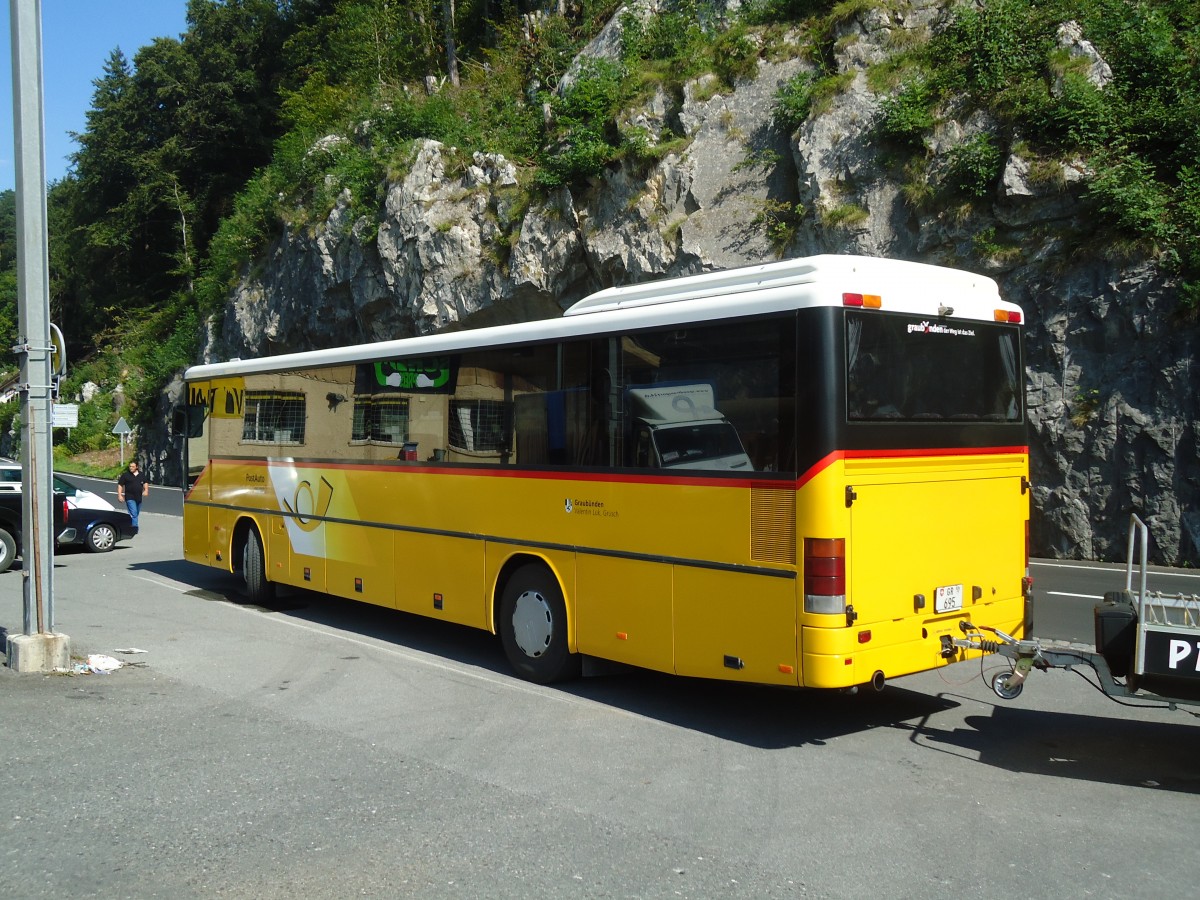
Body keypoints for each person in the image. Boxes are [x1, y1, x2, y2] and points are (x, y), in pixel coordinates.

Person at [116, 460, 149, 534]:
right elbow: (120, 485)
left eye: (133, 466)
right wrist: (119, 495)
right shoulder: (125, 475)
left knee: (136, 514)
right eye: (130, 466)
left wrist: (146, 490)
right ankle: (134, 529)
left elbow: (145, 483)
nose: (131, 468)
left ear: (137, 467)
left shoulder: (141, 475)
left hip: (138, 497)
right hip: (129, 497)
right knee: (134, 513)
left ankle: (130, 525)